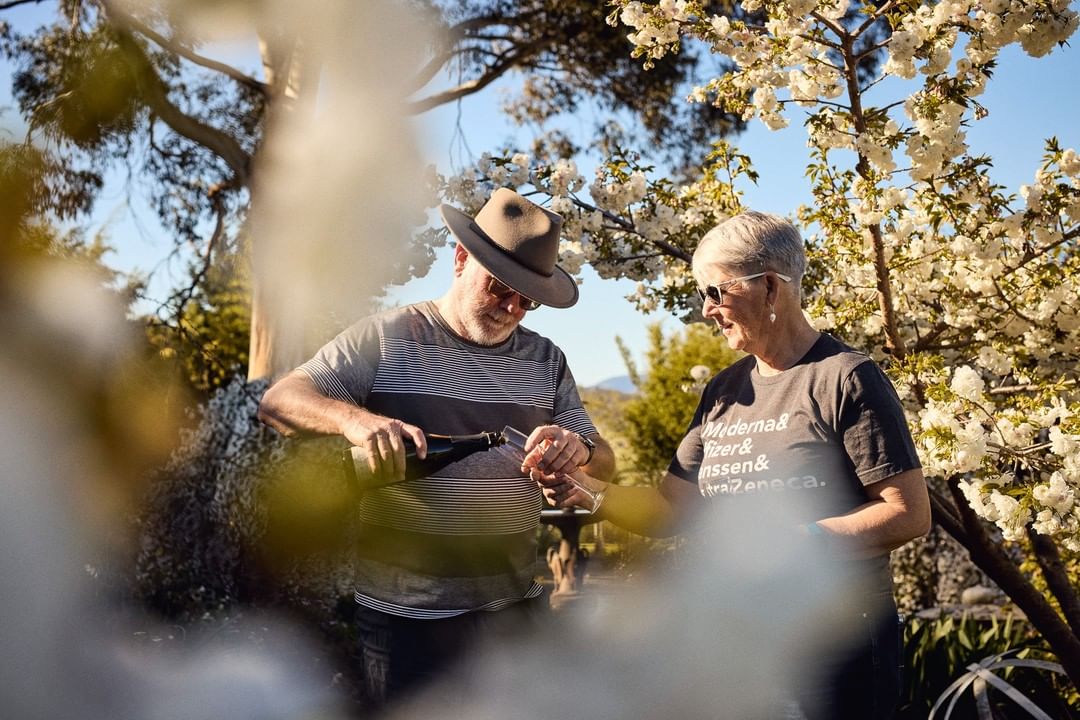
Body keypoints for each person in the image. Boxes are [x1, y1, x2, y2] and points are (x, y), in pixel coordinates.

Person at [537, 211, 930, 720]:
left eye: (717, 292)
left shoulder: (846, 378)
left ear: (770, 287)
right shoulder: (723, 390)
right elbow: (669, 508)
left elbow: (907, 514)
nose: (706, 310)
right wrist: (584, 488)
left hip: (831, 643)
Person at [258, 187, 615, 706]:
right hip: (406, 621)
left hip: (514, 612)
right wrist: (355, 421)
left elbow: (604, 458)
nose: (512, 308)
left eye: (527, 299)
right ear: (461, 258)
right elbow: (280, 401)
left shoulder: (547, 360)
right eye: (500, 289)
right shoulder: (387, 336)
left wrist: (576, 450)